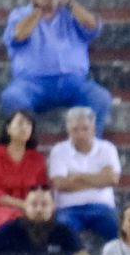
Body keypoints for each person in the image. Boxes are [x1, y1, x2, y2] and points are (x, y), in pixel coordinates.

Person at [0, 0, 113, 129]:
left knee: (100, 98)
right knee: (12, 98)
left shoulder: (71, 13)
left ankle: (88, 149)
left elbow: (93, 26)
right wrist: (38, 9)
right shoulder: (20, 15)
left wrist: (69, 2)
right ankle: (28, 150)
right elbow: (18, 35)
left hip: (74, 82)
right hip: (32, 83)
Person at [46, 105, 120, 245]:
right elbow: (60, 184)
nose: (80, 134)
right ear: (68, 130)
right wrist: (98, 179)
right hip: (68, 209)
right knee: (62, 234)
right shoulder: (59, 150)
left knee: (120, 232)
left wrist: (78, 176)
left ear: (93, 128)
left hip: (102, 207)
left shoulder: (107, 148)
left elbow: (112, 179)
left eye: (85, 129)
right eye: (75, 130)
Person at [0, 111, 47, 236]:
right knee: (9, 225)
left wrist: (33, 206)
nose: (25, 127)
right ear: (8, 128)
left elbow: (41, 190)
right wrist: (22, 204)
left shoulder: (37, 159)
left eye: (29, 124)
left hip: (30, 209)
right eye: (20, 123)